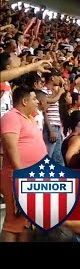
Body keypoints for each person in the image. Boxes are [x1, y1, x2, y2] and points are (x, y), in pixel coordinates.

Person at [0, 86, 47, 242]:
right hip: (18, 176)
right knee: (13, 221)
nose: (37, 102)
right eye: (34, 99)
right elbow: (11, 146)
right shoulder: (11, 117)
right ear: (25, 101)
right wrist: (21, 177)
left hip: (31, 176)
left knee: (26, 222)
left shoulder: (30, 118)